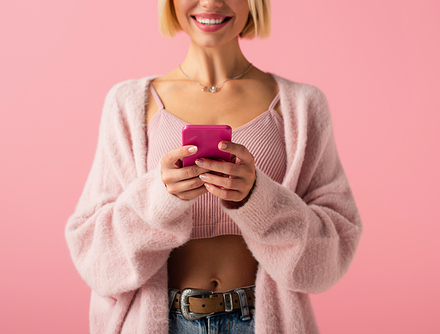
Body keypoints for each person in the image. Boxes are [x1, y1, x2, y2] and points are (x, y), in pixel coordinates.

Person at [65, 0, 363, 333]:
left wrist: (256, 198)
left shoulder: (302, 106)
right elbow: (93, 252)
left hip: (261, 322)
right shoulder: (128, 103)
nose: (210, 2)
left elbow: (334, 249)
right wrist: (160, 198)